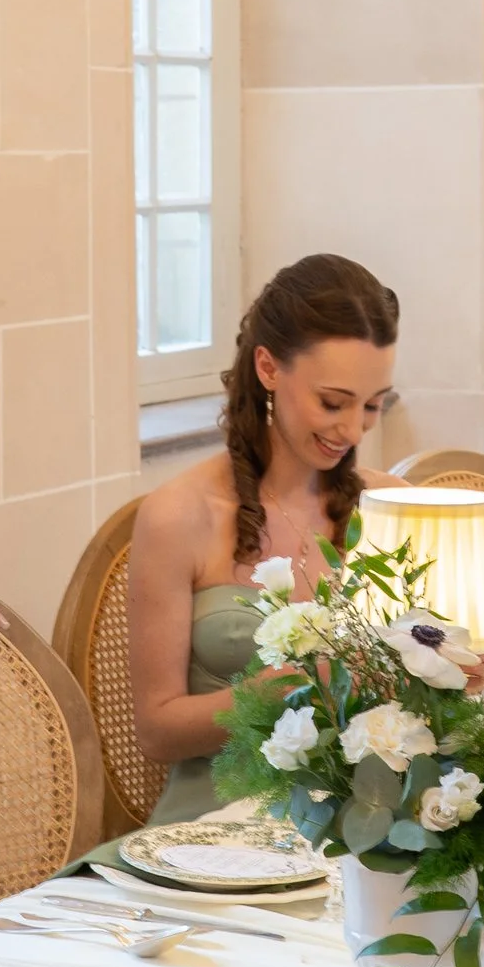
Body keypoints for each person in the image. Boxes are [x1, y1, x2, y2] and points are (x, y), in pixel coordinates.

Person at [128, 255, 401, 822]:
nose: (353, 430)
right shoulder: (178, 517)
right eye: (333, 402)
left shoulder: (390, 506)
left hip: (367, 823)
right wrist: (275, 693)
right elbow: (155, 732)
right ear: (268, 368)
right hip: (215, 827)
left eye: (373, 405)